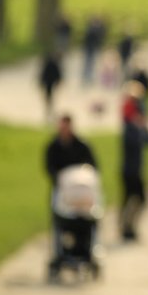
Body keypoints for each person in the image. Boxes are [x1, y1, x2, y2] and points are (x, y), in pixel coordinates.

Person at [44, 114, 98, 274]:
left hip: (82, 194)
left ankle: (85, 251)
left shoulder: (82, 146)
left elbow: (93, 168)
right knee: (59, 225)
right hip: (62, 193)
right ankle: (60, 254)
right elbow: (49, 168)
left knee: (86, 224)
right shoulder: (53, 147)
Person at [119, 98, 148, 242]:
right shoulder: (128, 129)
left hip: (137, 170)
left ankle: (130, 226)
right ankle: (125, 227)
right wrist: (140, 127)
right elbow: (134, 142)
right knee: (129, 199)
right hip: (129, 171)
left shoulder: (137, 128)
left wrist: (144, 127)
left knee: (140, 199)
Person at [81, 14, 107, 86]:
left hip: (92, 48)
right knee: (88, 63)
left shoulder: (94, 29)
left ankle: (88, 77)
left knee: (91, 63)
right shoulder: (92, 30)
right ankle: (86, 77)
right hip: (89, 48)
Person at [39, 52, 63, 119]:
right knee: (49, 97)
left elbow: (43, 74)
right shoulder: (54, 64)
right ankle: (49, 109)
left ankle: (49, 108)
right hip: (49, 82)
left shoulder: (49, 64)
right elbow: (58, 74)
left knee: (49, 97)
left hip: (48, 82)